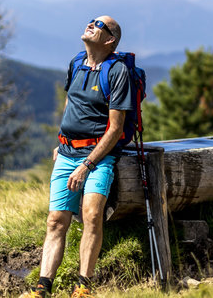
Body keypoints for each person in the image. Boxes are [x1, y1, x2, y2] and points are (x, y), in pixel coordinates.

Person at [22, 16, 133, 298]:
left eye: (100, 25)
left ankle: (84, 287)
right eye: (91, 21)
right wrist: (63, 139)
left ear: (110, 40)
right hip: (67, 152)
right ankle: (42, 288)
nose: (91, 24)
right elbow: (72, 102)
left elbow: (116, 128)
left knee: (92, 215)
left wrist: (86, 165)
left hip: (97, 156)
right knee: (55, 221)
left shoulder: (117, 72)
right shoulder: (75, 62)